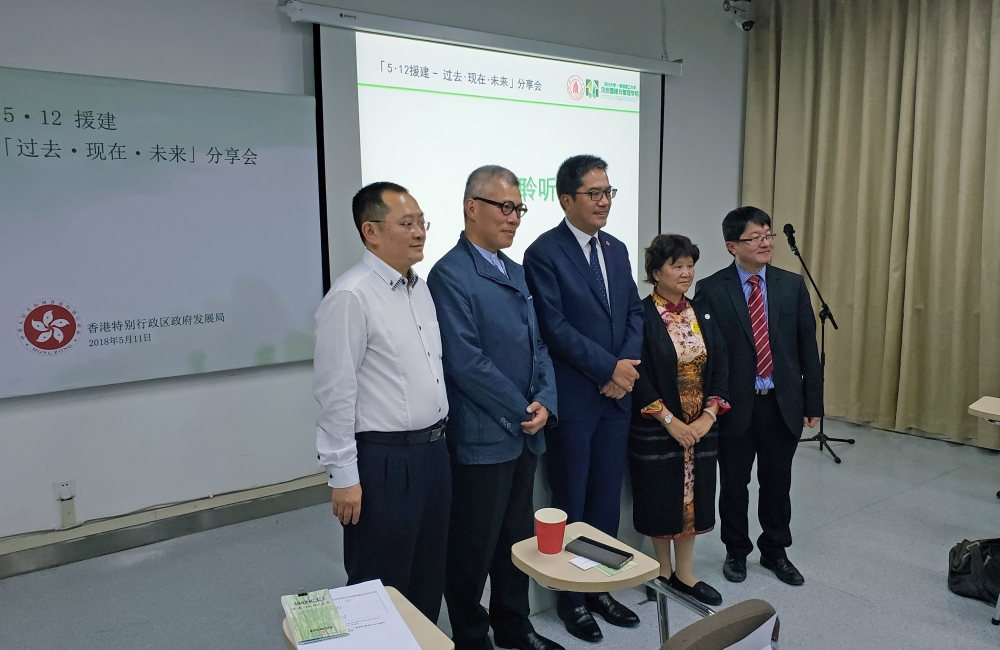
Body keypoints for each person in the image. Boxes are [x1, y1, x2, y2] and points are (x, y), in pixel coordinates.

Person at [427, 165, 563, 650]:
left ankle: (514, 624)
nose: (514, 219)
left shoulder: (517, 270)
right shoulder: (450, 275)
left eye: (519, 209)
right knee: (472, 548)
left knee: (517, 541)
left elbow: (539, 346)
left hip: (525, 431)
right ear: (472, 208)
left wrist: (545, 399)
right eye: (505, 208)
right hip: (485, 435)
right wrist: (521, 409)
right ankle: (470, 633)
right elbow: (466, 363)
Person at [313, 182, 450, 621]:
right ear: (370, 231)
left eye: (422, 223)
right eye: (406, 224)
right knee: (380, 580)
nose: (419, 233)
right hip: (385, 461)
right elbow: (336, 393)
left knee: (429, 573)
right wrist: (343, 475)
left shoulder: (420, 288)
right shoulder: (351, 296)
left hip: (434, 453)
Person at [522, 155, 644, 642]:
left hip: (616, 397)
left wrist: (626, 368)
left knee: (605, 499)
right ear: (566, 198)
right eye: (594, 193)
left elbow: (634, 310)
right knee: (569, 499)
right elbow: (554, 328)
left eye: (609, 192)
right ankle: (571, 599)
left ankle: (599, 587)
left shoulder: (614, 248)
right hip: (574, 398)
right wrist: (606, 367)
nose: (604, 202)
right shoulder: (543, 253)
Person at [694, 206, 823, 587]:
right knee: (734, 484)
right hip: (735, 406)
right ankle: (736, 551)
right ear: (732, 245)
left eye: (768, 235)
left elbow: (806, 347)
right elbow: (708, 354)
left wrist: (812, 402)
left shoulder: (790, 284)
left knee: (777, 483)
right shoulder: (713, 289)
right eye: (756, 237)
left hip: (782, 403)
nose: (766, 242)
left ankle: (775, 551)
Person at [629, 234, 728, 607]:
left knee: (695, 497)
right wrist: (669, 421)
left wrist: (709, 414)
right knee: (661, 497)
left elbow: (722, 366)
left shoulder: (702, 312)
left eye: (690, 265)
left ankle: (686, 573)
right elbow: (638, 374)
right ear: (656, 273)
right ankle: (661, 571)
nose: (686, 273)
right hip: (659, 426)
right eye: (677, 266)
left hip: (700, 426)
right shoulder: (640, 314)